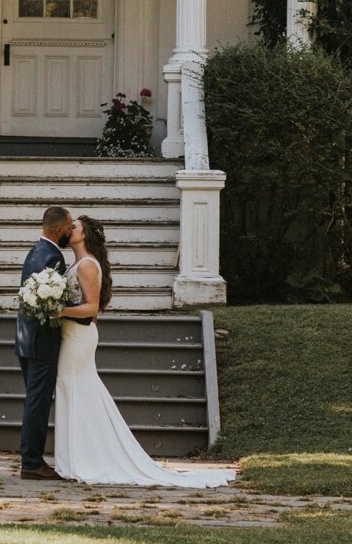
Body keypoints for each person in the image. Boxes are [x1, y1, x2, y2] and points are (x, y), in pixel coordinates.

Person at [53, 214, 234, 488]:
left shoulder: (88, 266)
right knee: (72, 389)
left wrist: (60, 310)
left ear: (84, 235)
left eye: (74, 227)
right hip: (71, 334)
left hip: (79, 337)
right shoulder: (76, 264)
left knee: (79, 389)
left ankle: (87, 458)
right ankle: (74, 457)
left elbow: (92, 309)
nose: (69, 229)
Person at [16, 203, 76, 479]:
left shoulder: (35, 251)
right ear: (59, 229)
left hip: (26, 339)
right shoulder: (52, 258)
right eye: (69, 226)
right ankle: (31, 463)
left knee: (34, 401)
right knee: (37, 404)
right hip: (41, 342)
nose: (71, 231)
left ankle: (32, 459)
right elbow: (49, 304)